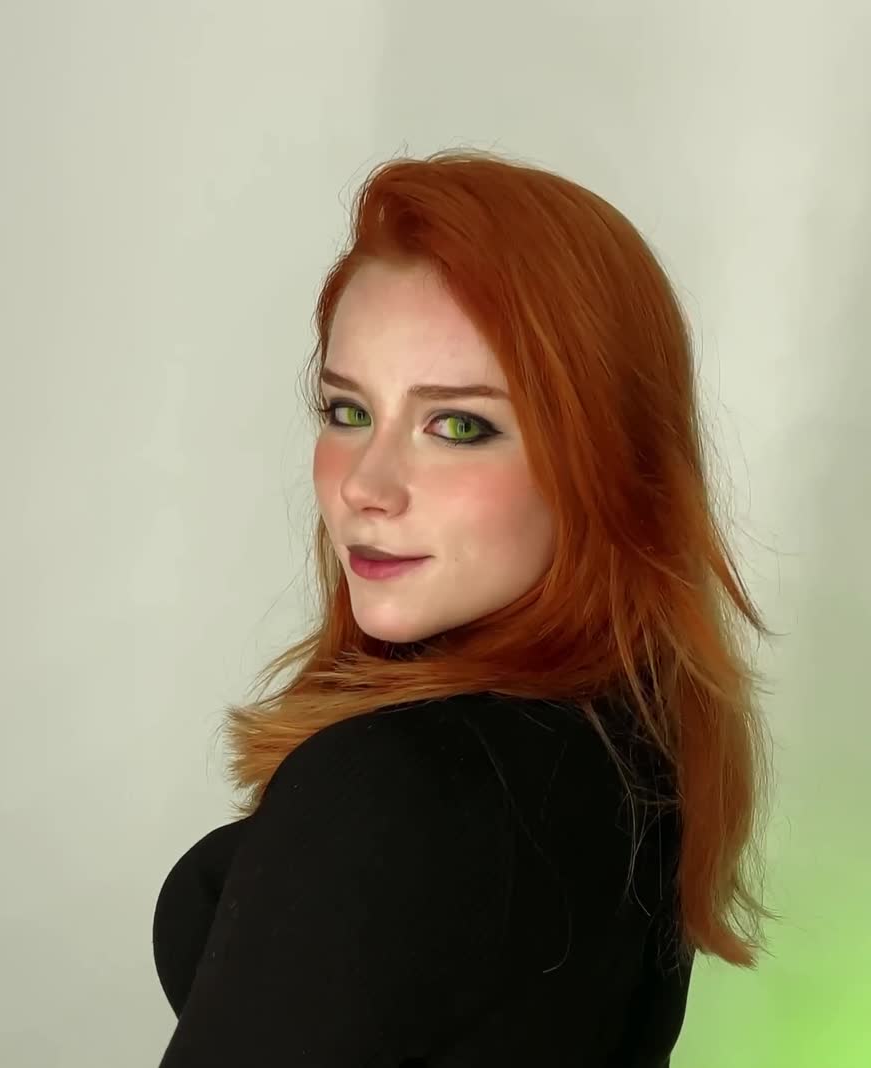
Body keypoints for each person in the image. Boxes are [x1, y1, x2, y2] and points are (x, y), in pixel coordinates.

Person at [152, 149, 774, 1067]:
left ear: (605, 464)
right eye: (347, 411)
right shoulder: (633, 750)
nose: (366, 486)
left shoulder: (394, 784)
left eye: (459, 425)